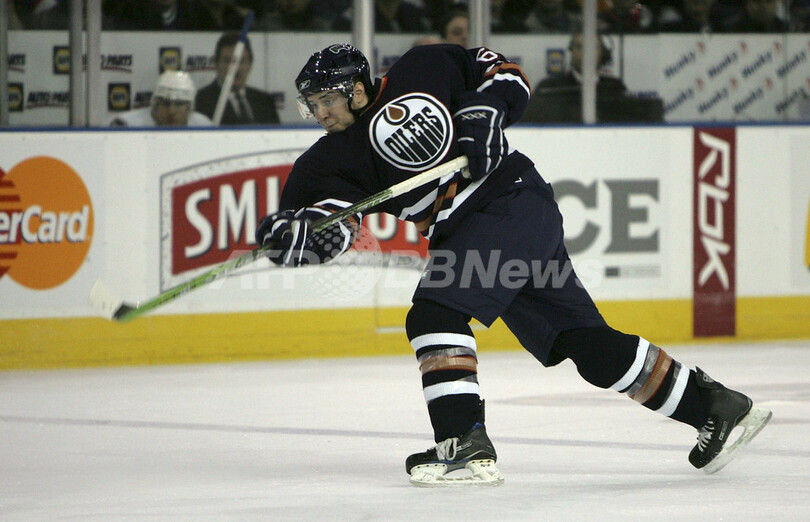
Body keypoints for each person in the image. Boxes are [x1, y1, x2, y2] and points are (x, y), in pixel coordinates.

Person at [254, 42, 771, 486]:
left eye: (326, 100)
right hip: (484, 229)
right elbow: (331, 226)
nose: (321, 114)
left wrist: (487, 110)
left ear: (357, 89)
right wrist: (298, 240)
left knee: (434, 314)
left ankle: (462, 443)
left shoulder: (425, 66)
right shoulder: (324, 164)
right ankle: (714, 407)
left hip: (511, 201)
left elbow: (505, 73)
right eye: (312, 106)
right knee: (584, 344)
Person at [523, 32, 663, 123]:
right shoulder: (549, 87)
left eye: (593, 47)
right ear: (572, 52)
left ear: (602, 53)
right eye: (580, 47)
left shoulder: (614, 87)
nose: (586, 53)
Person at [194, 32, 280, 125]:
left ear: (250, 65)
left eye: (241, 61)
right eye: (228, 61)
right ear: (216, 65)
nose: (235, 68)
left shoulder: (264, 101)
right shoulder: (201, 101)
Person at [108, 71, 214, 127]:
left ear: (188, 108)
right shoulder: (127, 124)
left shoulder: (203, 125)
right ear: (155, 105)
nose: (171, 111)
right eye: (165, 103)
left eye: (178, 104)